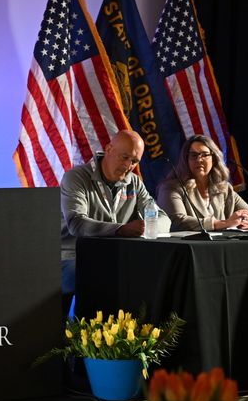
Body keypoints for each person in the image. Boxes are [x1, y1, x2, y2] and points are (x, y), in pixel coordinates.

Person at [59, 130, 167, 308]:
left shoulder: (134, 182)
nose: (128, 165)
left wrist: (148, 226)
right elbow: (76, 223)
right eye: (124, 157)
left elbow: (163, 218)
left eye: (134, 161)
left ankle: (134, 332)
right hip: (73, 255)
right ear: (108, 149)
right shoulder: (76, 177)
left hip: (115, 255)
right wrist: (121, 229)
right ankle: (90, 332)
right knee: (98, 274)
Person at [156, 135, 248, 232]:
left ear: (214, 159)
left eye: (205, 155)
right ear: (186, 159)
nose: (199, 159)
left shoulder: (225, 189)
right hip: (188, 249)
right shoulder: (171, 188)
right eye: (193, 155)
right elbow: (176, 221)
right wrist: (224, 223)